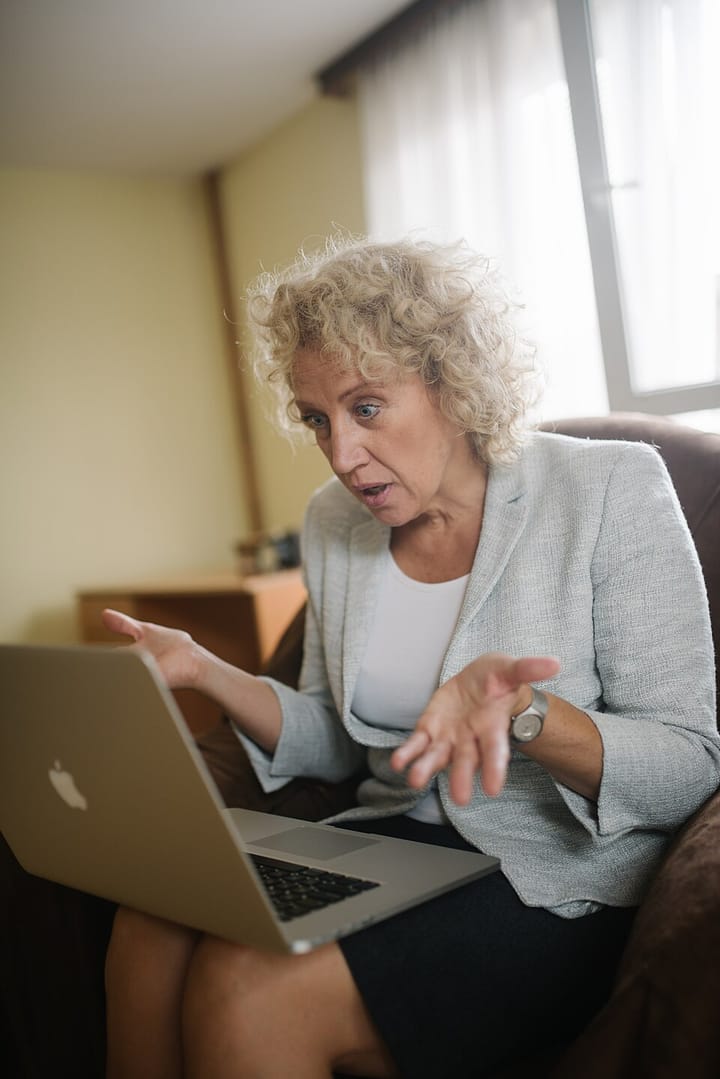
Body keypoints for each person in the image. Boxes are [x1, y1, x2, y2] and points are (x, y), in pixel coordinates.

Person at [101, 235, 720, 1079]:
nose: (342, 457)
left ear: (454, 382)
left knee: (247, 986)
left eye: (365, 408)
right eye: (319, 419)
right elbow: (335, 733)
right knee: (149, 922)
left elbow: (691, 763)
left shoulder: (611, 489)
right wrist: (208, 670)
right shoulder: (333, 521)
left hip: (549, 875)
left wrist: (525, 714)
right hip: (392, 844)